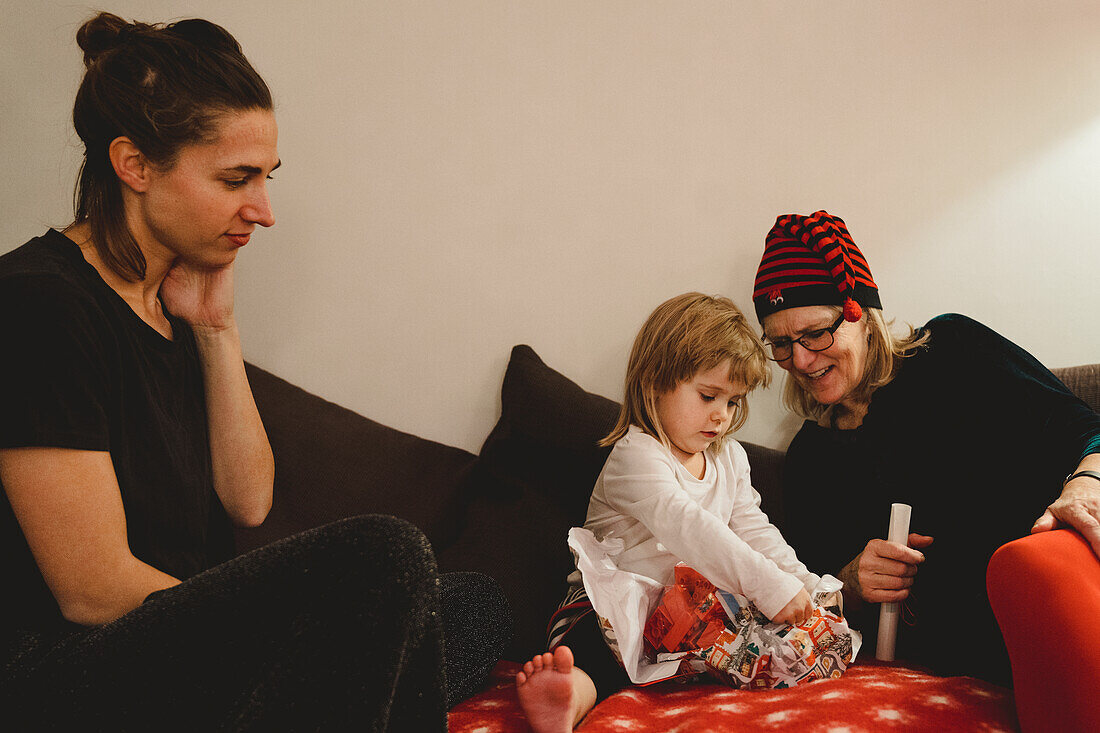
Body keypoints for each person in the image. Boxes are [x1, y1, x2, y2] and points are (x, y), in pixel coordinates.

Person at [0, 12, 508, 731]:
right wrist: (272, 637)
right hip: (67, 671)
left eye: (265, 178)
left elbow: (248, 500)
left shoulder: (171, 300)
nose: (263, 211)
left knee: (475, 602)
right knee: (387, 556)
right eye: (237, 178)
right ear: (135, 165)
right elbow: (91, 589)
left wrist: (214, 329)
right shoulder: (39, 303)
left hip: (183, 644)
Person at [751, 210, 1100, 685]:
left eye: (815, 333)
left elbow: (1086, 429)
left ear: (864, 316)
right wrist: (853, 583)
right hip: (963, 659)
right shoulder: (810, 458)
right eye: (782, 344)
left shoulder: (952, 352)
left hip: (1055, 594)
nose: (802, 359)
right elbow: (813, 604)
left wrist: (1086, 485)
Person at [515, 293, 832, 733]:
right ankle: (569, 696)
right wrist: (770, 586)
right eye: (708, 396)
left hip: (683, 623)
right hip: (605, 610)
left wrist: (805, 587)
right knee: (604, 652)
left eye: (734, 402)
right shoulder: (637, 456)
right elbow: (691, 528)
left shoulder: (730, 459)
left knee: (752, 638)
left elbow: (755, 531)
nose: (721, 415)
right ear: (656, 382)